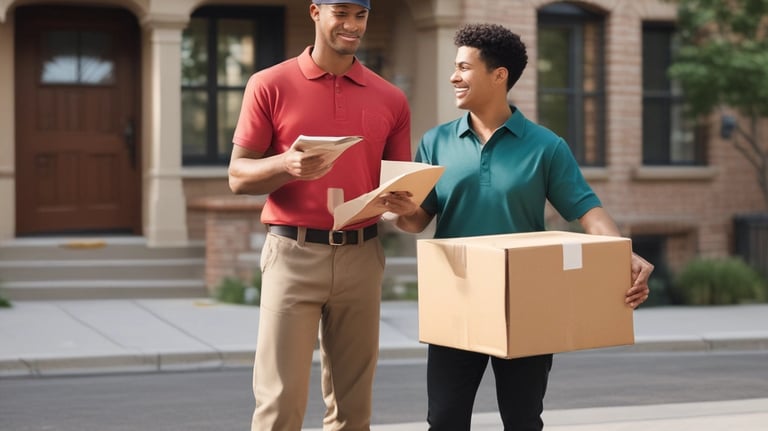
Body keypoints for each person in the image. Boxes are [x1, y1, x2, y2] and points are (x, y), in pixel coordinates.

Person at [388, 23, 655, 431]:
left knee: (523, 419)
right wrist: (397, 210)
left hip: (527, 299)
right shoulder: (435, 142)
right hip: (457, 297)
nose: (453, 77)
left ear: (499, 76)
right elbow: (419, 220)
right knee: (443, 419)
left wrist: (622, 254)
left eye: (464, 67)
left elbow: (589, 211)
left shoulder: (546, 146)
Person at [227, 1, 413, 429]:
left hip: (362, 257)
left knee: (353, 409)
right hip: (292, 254)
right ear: (315, 12)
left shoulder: (391, 98)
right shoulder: (269, 84)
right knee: (280, 404)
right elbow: (238, 176)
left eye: (360, 16)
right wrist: (283, 165)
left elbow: (397, 186)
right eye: (341, 13)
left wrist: (400, 205)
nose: (352, 26)